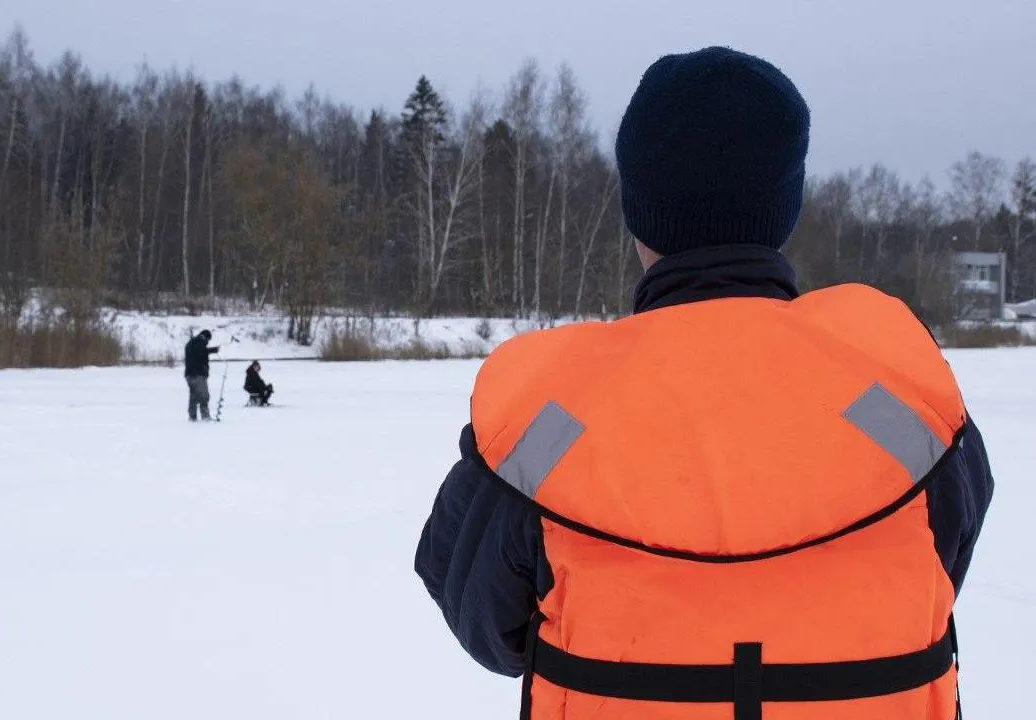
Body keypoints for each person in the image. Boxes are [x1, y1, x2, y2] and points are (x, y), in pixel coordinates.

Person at [414, 47, 994, 720]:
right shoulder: (903, 404)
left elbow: (482, 623)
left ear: (638, 209)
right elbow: (939, 570)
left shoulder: (550, 421)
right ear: (787, 203)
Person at [183, 329, 219, 421]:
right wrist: (213, 350)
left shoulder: (191, 343)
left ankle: (192, 417)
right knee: (204, 395)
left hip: (189, 374)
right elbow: (201, 352)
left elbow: (199, 352)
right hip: (197, 374)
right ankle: (205, 416)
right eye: (208, 340)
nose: (207, 342)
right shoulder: (199, 342)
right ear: (205, 337)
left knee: (194, 396)